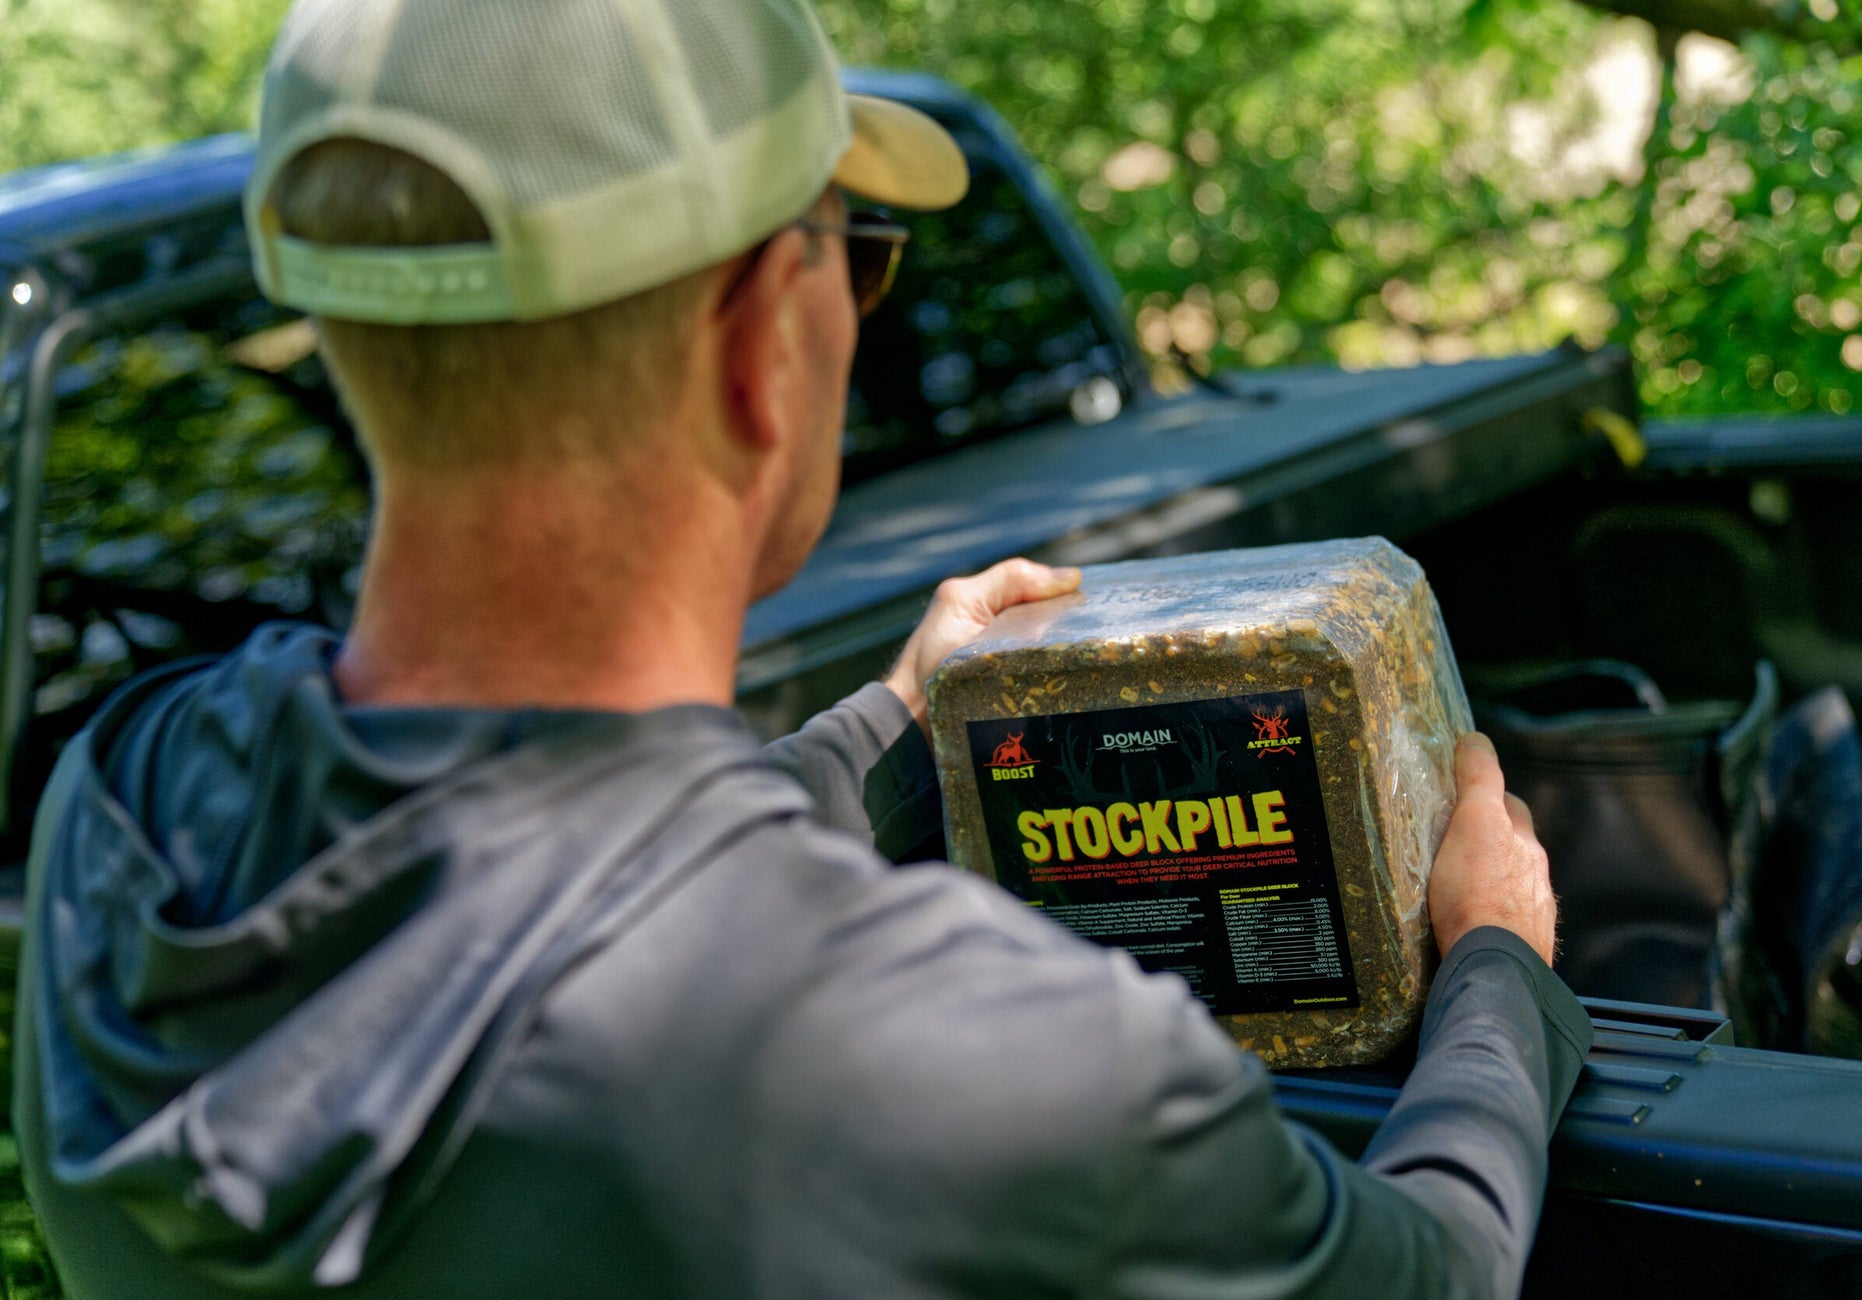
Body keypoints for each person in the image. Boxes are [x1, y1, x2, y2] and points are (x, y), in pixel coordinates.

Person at [13, 0, 1588, 1296]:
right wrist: (1496, 969)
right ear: (764, 337)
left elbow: (534, 891)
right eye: (859, 255)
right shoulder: (991, 1072)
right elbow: (1433, 1274)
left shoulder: (126, 812)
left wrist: (898, 716)